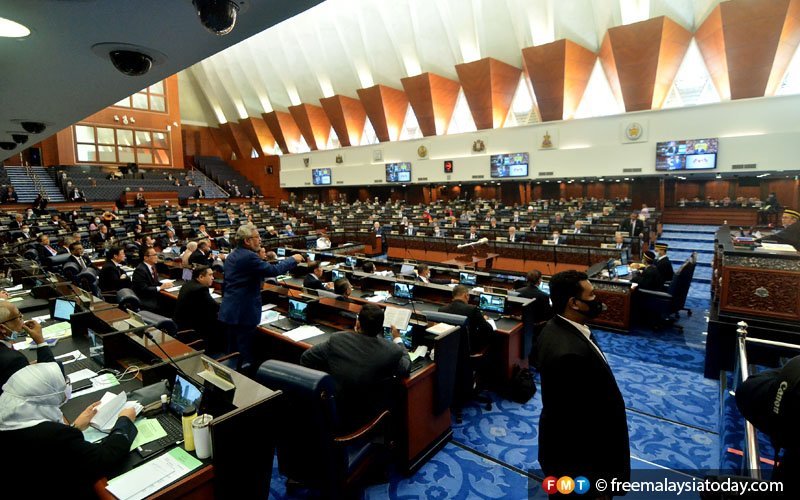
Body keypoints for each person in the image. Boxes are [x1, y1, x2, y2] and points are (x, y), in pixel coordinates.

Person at [533, 270, 629, 495]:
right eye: (592, 295)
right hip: (580, 464)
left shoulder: (557, 326)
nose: (597, 300)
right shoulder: (569, 354)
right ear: (574, 303)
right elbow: (578, 425)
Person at [0, 363, 137, 498]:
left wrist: (75, 427)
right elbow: (105, 457)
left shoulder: (10, 419)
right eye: (63, 382)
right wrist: (124, 421)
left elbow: (50, 449)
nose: (67, 385)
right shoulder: (55, 434)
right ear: (45, 394)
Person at [300, 304, 410, 433]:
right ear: (381, 327)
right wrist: (397, 339)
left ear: (358, 324)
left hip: (333, 411)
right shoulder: (392, 350)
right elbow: (406, 367)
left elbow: (306, 358)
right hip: (365, 418)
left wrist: (325, 385)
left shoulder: (338, 339)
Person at [219, 225, 303, 373]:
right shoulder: (249, 256)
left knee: (232, 352)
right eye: (257, 237)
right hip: (244, 313)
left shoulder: (232, 255)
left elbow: (227, 283)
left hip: (230, 310)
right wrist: (293, 259)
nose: (260, 240)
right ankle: (245, 381)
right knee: (244, 356)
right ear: (247, 241)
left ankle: (231, 377)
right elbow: (273, 270)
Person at [0, 302, 57, 392]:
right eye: (19, 317)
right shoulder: (14, 360)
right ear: (2, 328)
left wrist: (24, 367)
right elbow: (51, 378)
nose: (23, 319)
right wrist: (40, 340)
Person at [174, 266, 222, 353]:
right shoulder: (201, 289)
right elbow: (215, 307)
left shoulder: (188, 284)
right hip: (194, 328)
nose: (213, 278)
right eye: (210, 275)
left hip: (181, 324)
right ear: (201, 277)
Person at [438, 285, 493, 354]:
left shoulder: (442, 310)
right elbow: (487, 329)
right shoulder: (472, 309)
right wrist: (484, 320)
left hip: (448, 348)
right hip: (468, 349)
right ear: (466, 295)